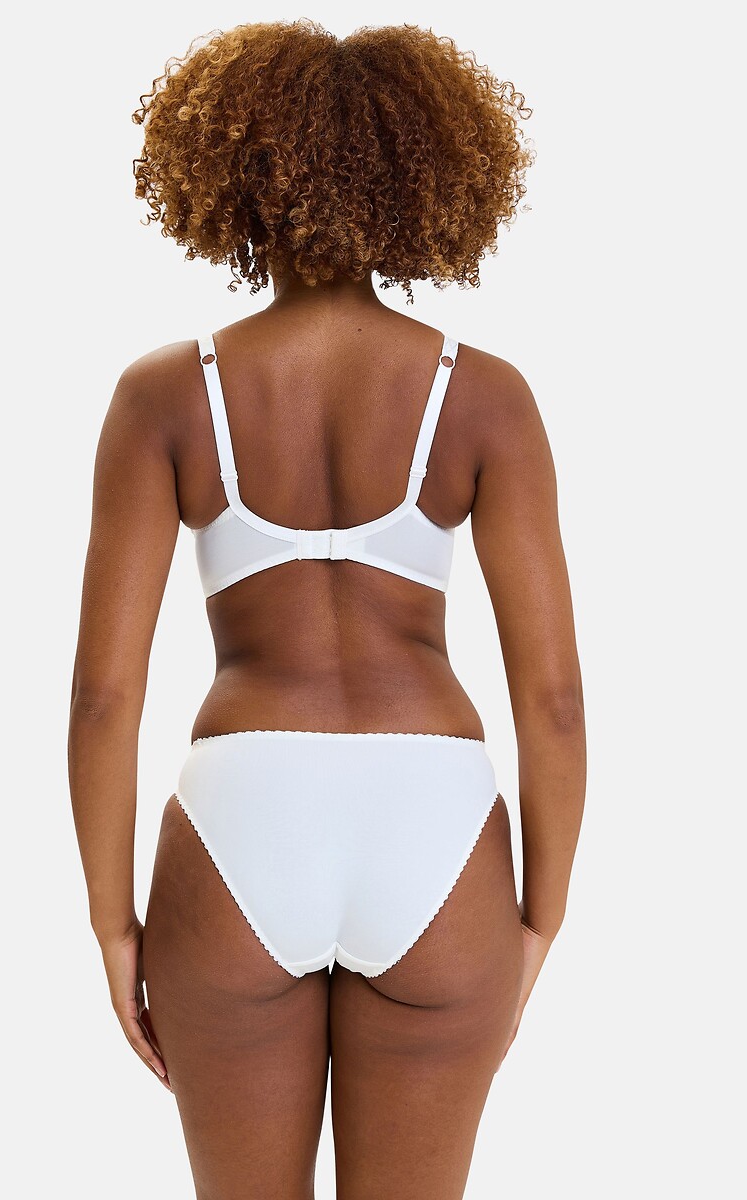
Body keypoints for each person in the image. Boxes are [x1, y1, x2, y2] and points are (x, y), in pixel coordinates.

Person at [68, 19, 586, 1199]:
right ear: (422, 180)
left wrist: (111, 925)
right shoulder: (483, 397)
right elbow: (551, 700)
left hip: (241, 815)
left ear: (233, 178)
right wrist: (537, 925)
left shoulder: (166, 395)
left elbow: (103, 694)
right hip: (435, 822)